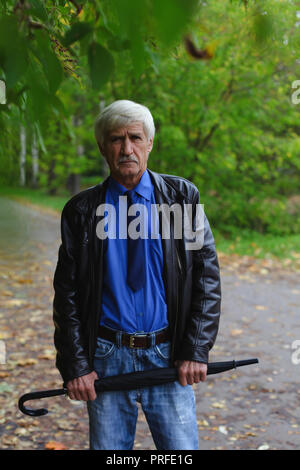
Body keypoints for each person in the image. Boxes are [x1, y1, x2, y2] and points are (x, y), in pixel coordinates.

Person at [53, 99, 221, 450]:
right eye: (116, 139)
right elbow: (66, 294)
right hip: (106, 356)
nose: (126, 148)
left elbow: (206, 278)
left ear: (150, 144)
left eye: (135, 137)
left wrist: (195, 349)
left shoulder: (182, 199)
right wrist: (76, 365)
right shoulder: (81, 212)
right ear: (102, 146)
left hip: (168, 355)